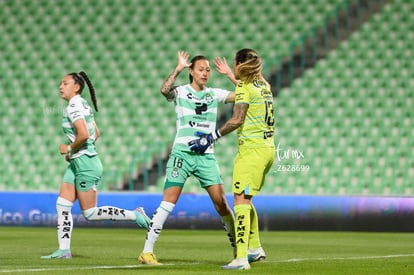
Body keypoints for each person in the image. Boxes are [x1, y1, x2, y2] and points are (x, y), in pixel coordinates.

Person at [138, 51, 237, 265]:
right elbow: (164, 90)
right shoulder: (181, 92)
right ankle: (147, 252)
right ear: (191, 71)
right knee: (168, 201)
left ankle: (240, 250)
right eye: (201, 69)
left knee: (221, 204)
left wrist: (230, 74)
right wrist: (177, 69)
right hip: (182, 153)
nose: (205, 73)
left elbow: (245, 95)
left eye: (208, 70)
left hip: (206, 156)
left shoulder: (214, 94)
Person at [41, 72, 151, 259]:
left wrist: (69, 148)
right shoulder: (83, 104)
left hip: (86, 164)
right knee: (62, 205)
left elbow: (84, 134)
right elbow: (96, 133)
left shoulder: (74, 105)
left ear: (76, 87)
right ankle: (64, 250)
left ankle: (135, 215)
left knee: (90, 213)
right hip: (79, 162)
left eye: (65, 83)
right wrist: (76, 152)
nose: (60, 86)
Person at [190, 49, 275, 270]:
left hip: (251, 151)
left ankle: (240, 258)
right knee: (246, 199)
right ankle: (255, 249)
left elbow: (237, 119)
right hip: (267, 149)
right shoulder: (264, 86)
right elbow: (244, 85)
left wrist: (212, 137)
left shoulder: (245, 88)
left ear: (238, 64)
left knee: (239, 202)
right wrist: (231, 75)